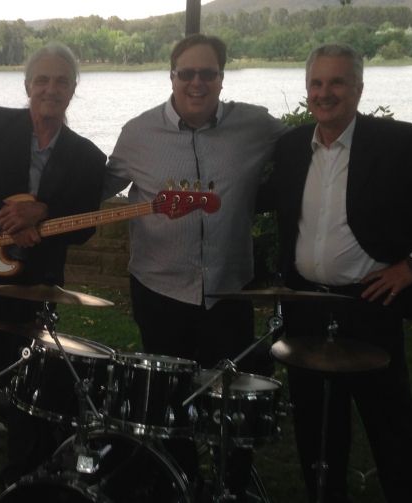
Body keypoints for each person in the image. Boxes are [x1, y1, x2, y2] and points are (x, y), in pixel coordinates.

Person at [261, 43, 412, 502]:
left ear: (358, 88)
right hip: (305, 305)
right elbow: (268, 199)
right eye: (316, 83)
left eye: (337, 82)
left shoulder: (400, 143)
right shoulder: (292, 146)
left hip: (370, 303)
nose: (324, 93)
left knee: (391, 425)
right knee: (315, 427)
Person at [102, 33, 287, 500]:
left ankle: (233, 486)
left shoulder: (257, 126)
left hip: (229, 289)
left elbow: (309, 150)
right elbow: (99, 185)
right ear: (172, 77)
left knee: (233, 398)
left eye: (208, 73)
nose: (197, 83)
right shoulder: (138, 133)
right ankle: (179, 482)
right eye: (187, 73)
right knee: (169, 400)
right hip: (159, 289)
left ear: (222, 78)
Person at [0, 42, 106, 483]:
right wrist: (6, 214)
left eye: (61, 81)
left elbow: (85, 226)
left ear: (73, 88)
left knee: (22, 375)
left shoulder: (89, 157)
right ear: (27, 85)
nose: (51, 89)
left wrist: (44, 212)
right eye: (42, 80)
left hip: (34, 283)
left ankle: (20, 473)